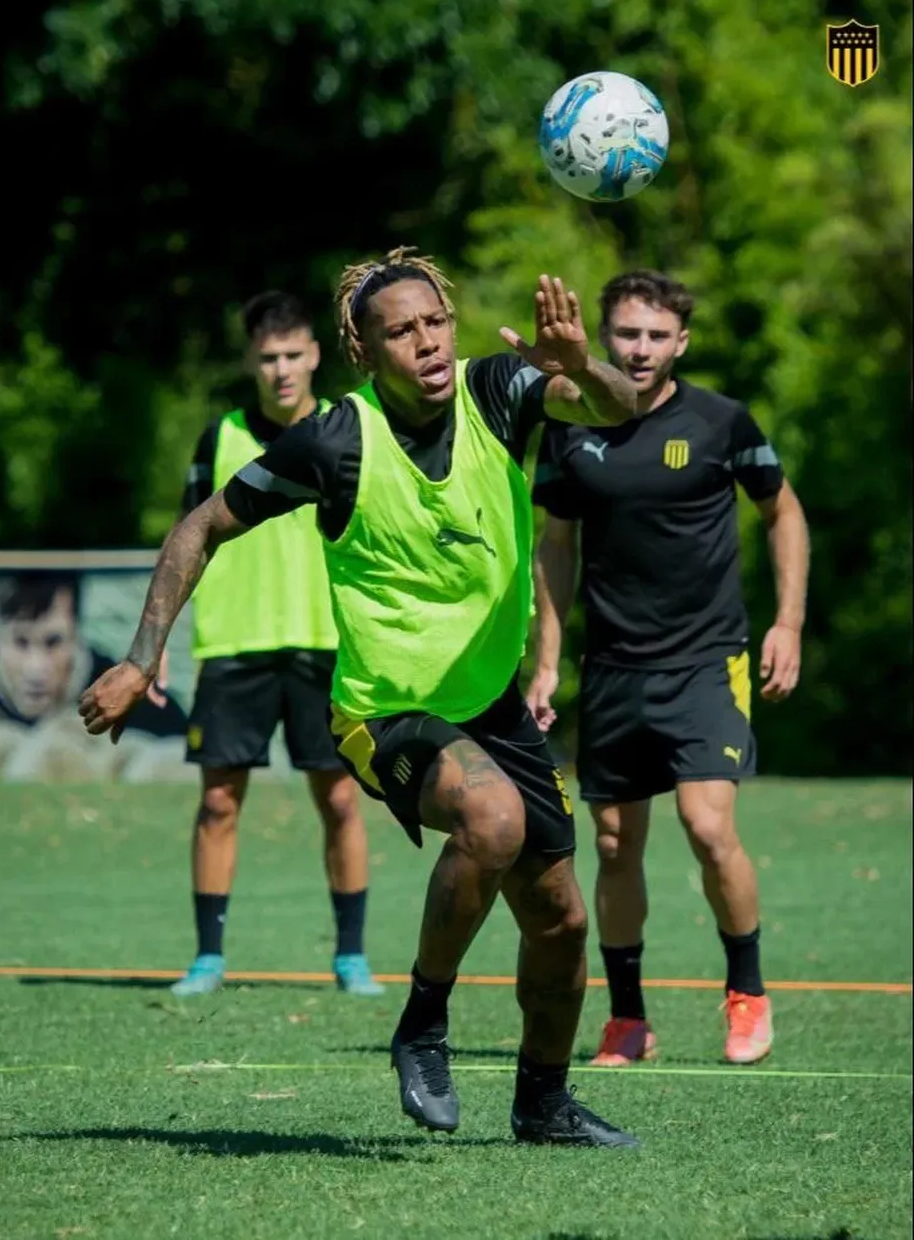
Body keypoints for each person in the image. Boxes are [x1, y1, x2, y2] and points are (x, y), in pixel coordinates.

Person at [80, 247, 640, 1147]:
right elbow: (201, 526)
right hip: (383, 711)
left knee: (563, 920)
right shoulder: (335, 440)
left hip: (492, 703)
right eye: (400, 331)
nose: (425, 343)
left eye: (435, 323)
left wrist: (579, 364)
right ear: (364, 351)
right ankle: (423, 1022)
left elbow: (621, 404)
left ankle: (542, 1103)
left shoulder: (498, 390)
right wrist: (143, 657)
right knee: (491, 820)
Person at [526, 268, 810, 1068]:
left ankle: (747, 995)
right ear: (604, 337)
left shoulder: (723, 421)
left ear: (681, 342)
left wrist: (787, 622)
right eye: (626, 333)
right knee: (614, 846)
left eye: (656, 336)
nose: (640, 349)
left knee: (708, 826)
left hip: (707, 662)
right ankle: (628, 1021)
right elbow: (557, 542)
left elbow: (782, 510)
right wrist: (546, 659)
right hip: (614, 669)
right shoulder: (572, 427)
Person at [171, 290, 382, 999]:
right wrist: (161, 650)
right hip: (234, 646)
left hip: (328, 645)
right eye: (269, 358)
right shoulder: (220, 438)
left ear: (317, 354)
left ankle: (351, 956)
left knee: (342, 801)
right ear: (250, 361)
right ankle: (208, 957)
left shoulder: (345, 431)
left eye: (294, 354)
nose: (282, 369)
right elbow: (187, 542)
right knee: (220, 804)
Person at [0, 570, 185, 736]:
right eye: (20, 642)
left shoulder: (135, 706)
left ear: (76, 634)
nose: (36, 668)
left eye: (53, 642)